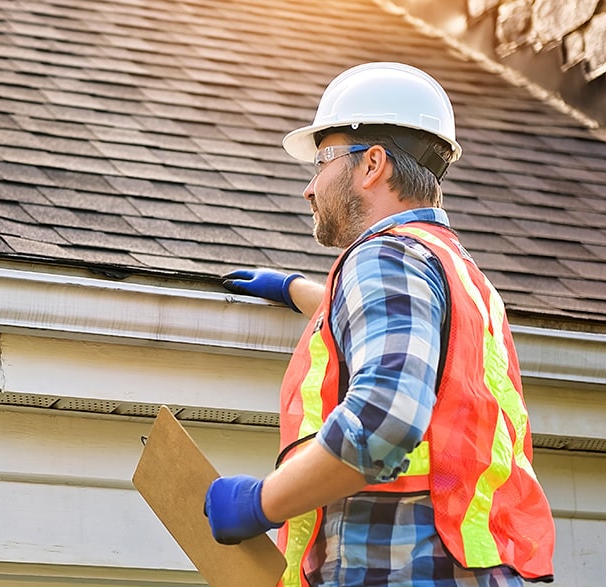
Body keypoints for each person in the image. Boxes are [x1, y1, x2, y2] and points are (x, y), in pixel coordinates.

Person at [203, 62, 556, 586]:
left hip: (402, 570)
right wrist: (299, 289)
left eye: (321, 161)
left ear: (372, 164)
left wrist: (261, 502)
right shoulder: (455, 269)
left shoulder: (384, 258)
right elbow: (398, 327)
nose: (309, 188)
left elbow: (383, 420)